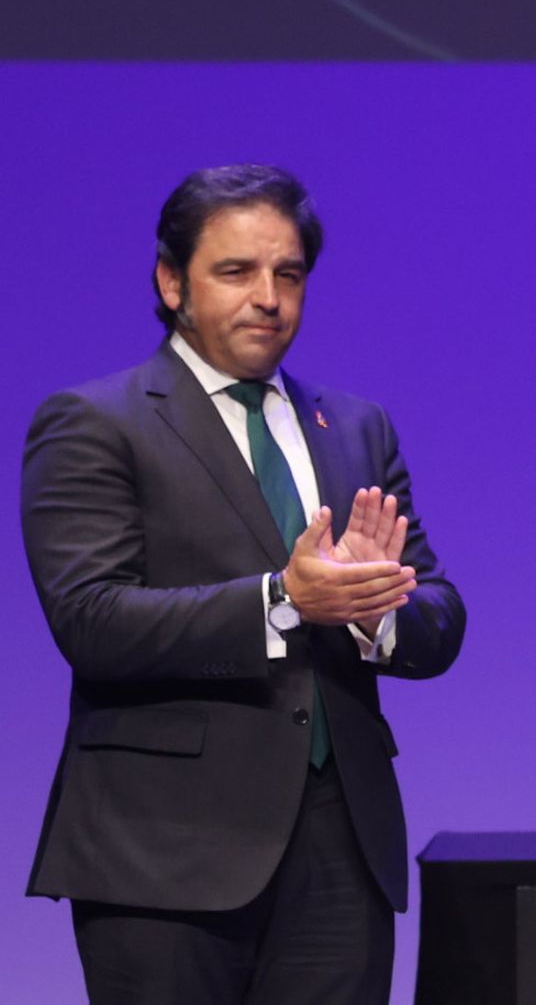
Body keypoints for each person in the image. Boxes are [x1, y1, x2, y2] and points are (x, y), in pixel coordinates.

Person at [21, 165, 467, 1003]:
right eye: (236, 271)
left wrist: (371, 612)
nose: (268, 297)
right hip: (164, 849)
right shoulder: (95, 422)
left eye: (288, 274)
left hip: (340, 848)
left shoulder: (356, 425)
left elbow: (438, 610)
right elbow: (91, 619)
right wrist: (284, 601)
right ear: (172, 283)